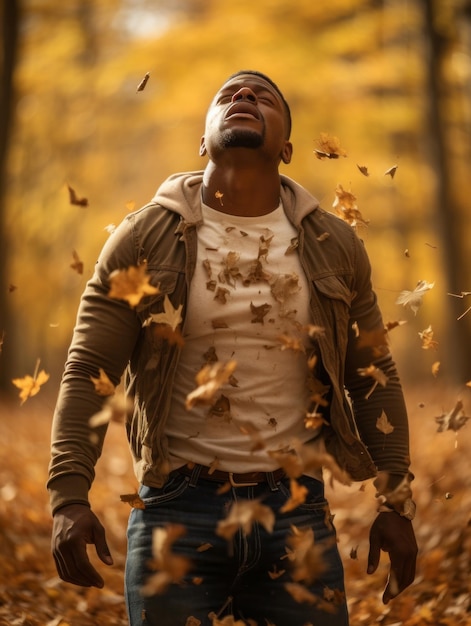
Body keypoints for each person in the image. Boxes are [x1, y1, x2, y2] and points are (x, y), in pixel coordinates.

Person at [48, 70, 418, 626]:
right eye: (228, 95)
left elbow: (372, 374)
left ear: (287, 146)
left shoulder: (334, 244)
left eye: (262, 97)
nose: (244, 96)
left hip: (296, 512)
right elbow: (88, 370)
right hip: (176, 510)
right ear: (203, 141)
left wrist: (395, 501)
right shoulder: (144, 237)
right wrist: (69, 497)